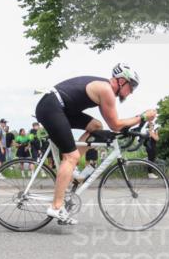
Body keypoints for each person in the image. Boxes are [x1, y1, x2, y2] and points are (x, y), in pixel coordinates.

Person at [34, 64, 156, 225]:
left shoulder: (105, 88)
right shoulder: (106, 90)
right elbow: (115, 125)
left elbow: (111, 125)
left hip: (59, 107)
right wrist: (142, 117)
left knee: (96, 126)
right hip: (51, 107)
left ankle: (71, 168)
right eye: (131, 86)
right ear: (121, 81)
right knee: (70, 157)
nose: (131, 92)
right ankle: (56, 206)